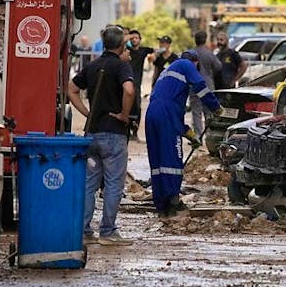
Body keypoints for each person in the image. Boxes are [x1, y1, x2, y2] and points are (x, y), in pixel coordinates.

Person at [66, 25, 135, 246]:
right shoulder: (122, 67)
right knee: (114, 184)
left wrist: (88, 113)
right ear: (121, 45)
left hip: (92, 133)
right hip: (114, 135)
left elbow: (71, 89)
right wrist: (124, 115)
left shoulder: (93, 65)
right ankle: (107, 232)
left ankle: (84, 230)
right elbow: (130, 90)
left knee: (89, 183)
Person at [145, 50, 223, 217]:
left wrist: (192, 136)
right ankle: (173, 201)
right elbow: (201, 87)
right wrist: (215, 107)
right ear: (195, 62)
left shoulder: (168, 73)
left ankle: (161, 204)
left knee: (158, 161)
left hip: (152, 113)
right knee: (172, 160)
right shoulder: (186, 64)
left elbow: (176, 123)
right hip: (167, 114)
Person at [190, 31, 222, 137]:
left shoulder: (191, 53)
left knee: (196, 112)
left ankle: (198, 136)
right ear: (205, 40)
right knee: (208, 112)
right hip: (208, 86)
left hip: (194, 85)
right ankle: (209, 135)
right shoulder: (209, 53)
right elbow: (218, 66)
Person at [126, 30, 155, 141]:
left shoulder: (143, 51)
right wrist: (128, 36)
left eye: (136, 38)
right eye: (132, 38)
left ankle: (135, 132)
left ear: (140, 39)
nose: (134, 40)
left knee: (137, 107)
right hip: (126, 82)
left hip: (137, 83)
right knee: (125, 106)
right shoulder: (126, 51)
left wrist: (153, 57)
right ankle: (126, 131)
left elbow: (156, 51)